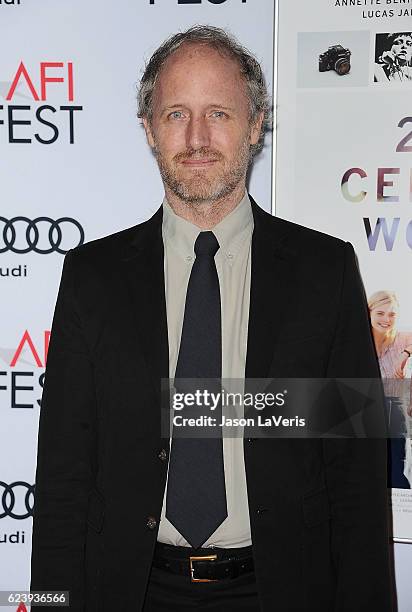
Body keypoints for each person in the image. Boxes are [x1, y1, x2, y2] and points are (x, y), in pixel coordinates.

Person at [31, 25, 392, 612]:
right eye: (176, 114)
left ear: (256, 126)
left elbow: (354, 475)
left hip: (283, 589)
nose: (197, 137)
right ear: (149, 129)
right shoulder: (92, 278)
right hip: (129, 590)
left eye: (219, 113)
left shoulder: (323, 271)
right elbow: (63, 480)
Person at [368, 290, 412, 489]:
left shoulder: (402, 339)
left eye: (392, 314)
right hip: (365, 411)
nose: (386, 319)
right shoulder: (358, 342)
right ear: (369, 312)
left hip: (394, 413)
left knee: (395, 471)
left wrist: (405, 354)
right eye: (380, 313)